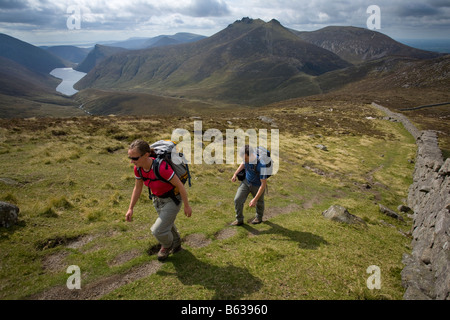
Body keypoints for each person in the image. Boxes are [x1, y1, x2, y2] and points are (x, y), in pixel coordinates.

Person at [126, 139, 192, 261]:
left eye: (135, 158)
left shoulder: (161, 167)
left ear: (146, 155)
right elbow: (137, 188)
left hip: (172, 200)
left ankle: (166, 246)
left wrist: (187, 206)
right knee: (168, 224)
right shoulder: (138, 168)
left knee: (157, 231)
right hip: (157, 200)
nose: (132, 161)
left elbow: (180, 186)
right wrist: (131, 208)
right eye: (130, 157)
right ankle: (176, 244)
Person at [231, 145, 269, 226]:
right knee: (237, 200)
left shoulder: (261, 165)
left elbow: (263, 184)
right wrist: (235, 174)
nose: (244, 160)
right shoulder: (246, 159)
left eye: (245, 158)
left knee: (259, 202)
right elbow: (243, 163)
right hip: (246, 182)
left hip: (258, 185)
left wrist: (254, 199)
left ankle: (259, 217)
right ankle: (239, 220)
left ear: (251, 155)